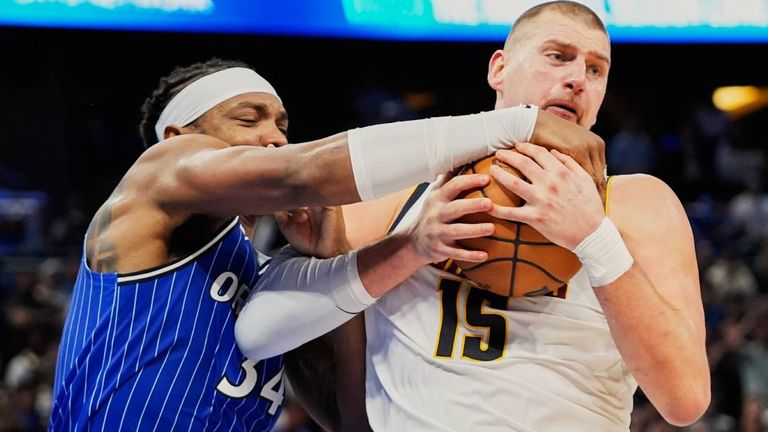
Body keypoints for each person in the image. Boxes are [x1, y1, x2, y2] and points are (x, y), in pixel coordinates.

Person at [49, 57, 604, 431]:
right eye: (248, 119)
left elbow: (352, 419)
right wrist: (516, 124)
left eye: (282, 123)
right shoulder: (156, 176)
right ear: (180, 137)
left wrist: (333, 256)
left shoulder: (268, 278)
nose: (274, 136)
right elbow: (302, 173)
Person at [236, 2, 711, 430]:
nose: (577, 79)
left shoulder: (634, 202)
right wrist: (412, 248)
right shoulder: (406, 190)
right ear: (499, 69)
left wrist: (592, 237)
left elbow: (685, 400)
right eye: (558, 56)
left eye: (596, 69)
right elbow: (259, 332)